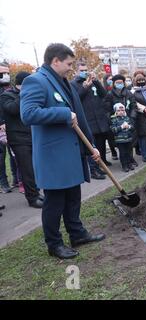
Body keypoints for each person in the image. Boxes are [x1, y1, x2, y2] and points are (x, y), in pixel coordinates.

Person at [20, 43, 105, 259]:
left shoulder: (63, 82)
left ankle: (77, 234)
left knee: (73, 198)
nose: (71, 68)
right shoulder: (36, 81)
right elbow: (28, 114)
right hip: (54, 157)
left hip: (71, 154)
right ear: (55, 61)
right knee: (54, 202)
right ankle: (54, 244)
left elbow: (79, 116)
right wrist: (62, 114)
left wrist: (91, 145)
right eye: (68, 64)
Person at [0, 72, 44, 208]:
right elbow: (13, 109)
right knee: (27, 169)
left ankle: (36, 192)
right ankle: (32, 198)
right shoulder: (6, 95)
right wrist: (24, 93)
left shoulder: (26, 94)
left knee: (35, 167)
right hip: (18, 138)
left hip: (32, 135)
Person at [71, 62, 109, 179]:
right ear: (77, 71)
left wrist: (96, 81)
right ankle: (93, 170)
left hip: (99, 118)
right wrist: (84, 88)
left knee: (101, 143)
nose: (84, 72)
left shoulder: (93, 81)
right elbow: (75, 99)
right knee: (91, 146)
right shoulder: (73, 84)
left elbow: (104, 94)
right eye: (82, 70)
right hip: (87, 119)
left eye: (86, 69)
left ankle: (101, 164)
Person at [103, 74, 138, 168]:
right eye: (117, 83)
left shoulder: (128, 93)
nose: (119, 84)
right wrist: (112, 120)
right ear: (114, 84)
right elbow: (107, 109)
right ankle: (125, 163)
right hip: (117, 122)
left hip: (128, 120)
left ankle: (130, 159)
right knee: (121, 145)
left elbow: (134, 106)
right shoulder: (110, 94)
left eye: (121, 83)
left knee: (130, 143)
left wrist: (132, 118)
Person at [0, 63, 19, 193]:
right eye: (3, 73)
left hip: (12, 126)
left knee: (15, 155)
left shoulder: (10, 88)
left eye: (7, 72)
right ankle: (3, 183)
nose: (5, 75)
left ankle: (16, 179)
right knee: (1, 157)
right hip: (1, 127)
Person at [110, 103, 135, 172]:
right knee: (123, 153)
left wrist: (129, 127)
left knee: (129, 152)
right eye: (119, 110)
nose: (121, 112)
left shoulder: (127, 118)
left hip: (128, 139)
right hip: (120, 140)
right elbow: (113, 130)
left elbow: (132, 127)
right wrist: (121, 127)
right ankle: (124, 165)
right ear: (116, 111)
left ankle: (129, 164)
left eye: (123, 110)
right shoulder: (113, 119)